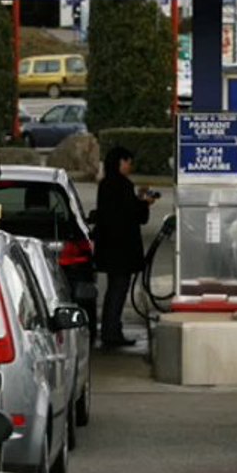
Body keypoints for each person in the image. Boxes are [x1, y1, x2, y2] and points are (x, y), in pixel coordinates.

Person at [93, 146, 156, 348]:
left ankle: (110, 329)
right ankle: (112, 332)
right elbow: (134, 215)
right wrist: (144, 203)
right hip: (121, 249)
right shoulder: (122, 185)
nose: (130, 166)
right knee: (118, 290)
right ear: (121, 162)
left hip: (108, 248)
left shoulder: (105, 185)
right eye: (128, 162)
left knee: (113, 289)